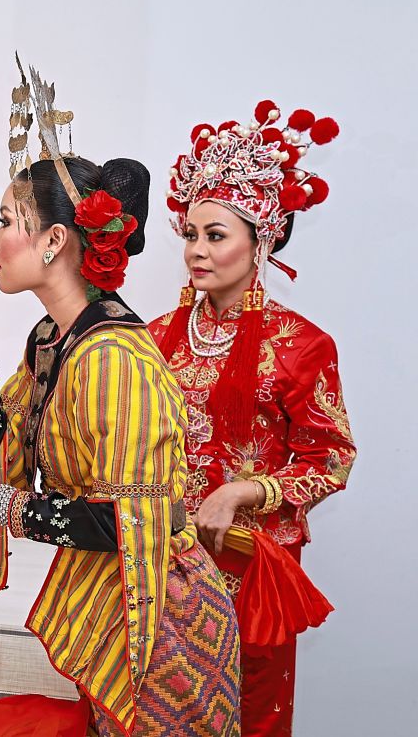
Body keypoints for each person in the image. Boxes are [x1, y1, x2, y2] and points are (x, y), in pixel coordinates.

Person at [0, 64, 240, 736]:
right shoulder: (53, 338)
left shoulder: (113, 358)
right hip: (127, 599)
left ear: (55, 242)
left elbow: (127, 521)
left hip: (163, 623)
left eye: (6, 220)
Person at [149, 100, 354, 736]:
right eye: (190, 234)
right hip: (164, 561)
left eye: (216, 235)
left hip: (252, 568)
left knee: (244, 717)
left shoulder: (300, 345)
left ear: (260, 241)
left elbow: (333, 459)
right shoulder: (155, 338)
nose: (196, 251)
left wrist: (244, 491)